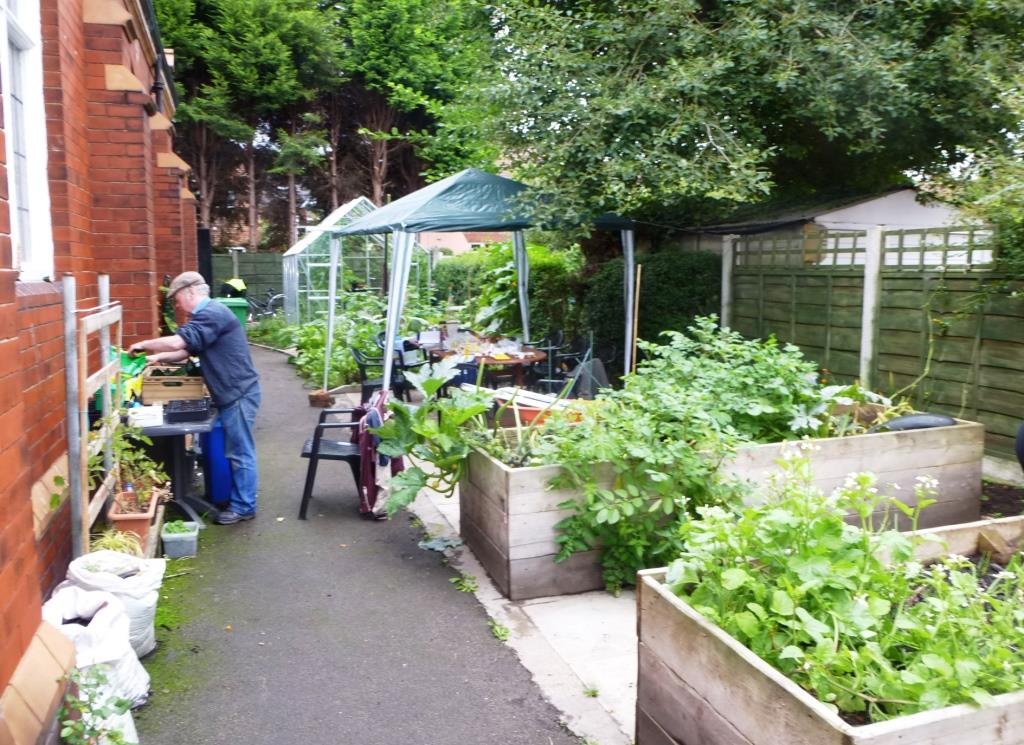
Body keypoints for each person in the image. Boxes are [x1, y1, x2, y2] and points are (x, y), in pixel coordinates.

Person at [130, 271, 261, 525]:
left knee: (240, 451)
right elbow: (185, 350)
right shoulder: (208, 315)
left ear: (190, 291)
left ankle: (244, 506)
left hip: (238, 393)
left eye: (176, 299)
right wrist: (155, 358)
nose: (177, 305)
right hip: (233, 392)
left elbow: (178, 342)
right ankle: (238, 500)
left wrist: (144, 344)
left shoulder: (212, 313)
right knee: (235, 449)